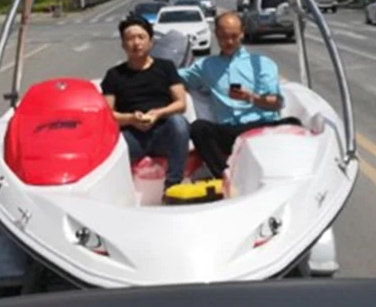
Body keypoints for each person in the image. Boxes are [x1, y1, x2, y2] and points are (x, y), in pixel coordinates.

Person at [178, 11, 295, 184]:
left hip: (260, 125)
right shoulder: (205, 66)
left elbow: (277, 103)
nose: (230, 42)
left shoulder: (262, 63)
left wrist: (251, 97)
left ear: (242, 33)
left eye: (234, 36)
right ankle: (225, 176)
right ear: (216, 34)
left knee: (293, 123)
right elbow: (173, 76)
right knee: (198, 128)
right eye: (224, 37)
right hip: (230, 131)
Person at [101, 16, 190, 189]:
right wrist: (131, 119)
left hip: (163, 132)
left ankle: (173, 185)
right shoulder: (114, 75)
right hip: (132, 136)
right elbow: (107, 113)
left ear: (151, 42)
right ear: (123, 44)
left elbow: (181, 103)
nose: (136, 43)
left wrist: (158, 113)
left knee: (179, 123)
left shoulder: (166, 67)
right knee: (108, 141)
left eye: (141, 37)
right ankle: (117, 192)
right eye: (130, 38)